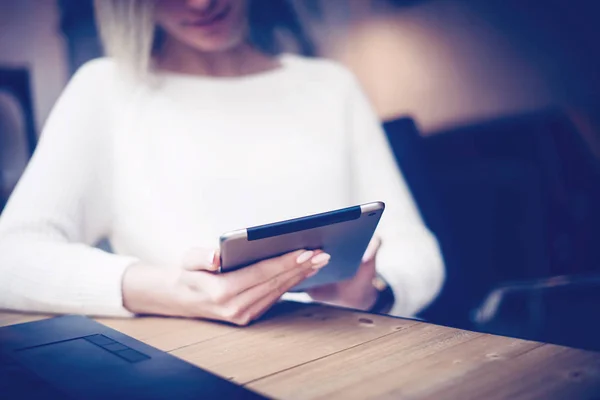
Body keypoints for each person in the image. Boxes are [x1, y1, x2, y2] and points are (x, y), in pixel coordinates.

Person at [0, 0, 444, 325]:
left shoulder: (331, 86)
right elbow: (10, 260)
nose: (200, 3)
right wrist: (175, 291)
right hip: (198, 370)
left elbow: (417, 249)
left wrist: (374, 294)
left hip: (352, 357)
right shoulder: (105, 89)